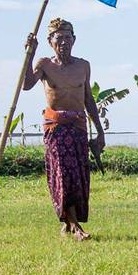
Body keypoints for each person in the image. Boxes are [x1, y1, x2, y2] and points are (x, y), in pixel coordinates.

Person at [22, 17, 105, 240]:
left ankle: (69, 222)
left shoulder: (83, 66)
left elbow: (88, 99)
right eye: (59, 38)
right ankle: (76, 228)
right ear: (50, 41)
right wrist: (29, 53)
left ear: (74, 40)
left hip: (78, 127)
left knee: (78, 176)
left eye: (68, 38)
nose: (64, 43)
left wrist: (100, 131)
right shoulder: (44, 64)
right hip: (56, 128)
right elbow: (26, 85)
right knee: (63, 174)